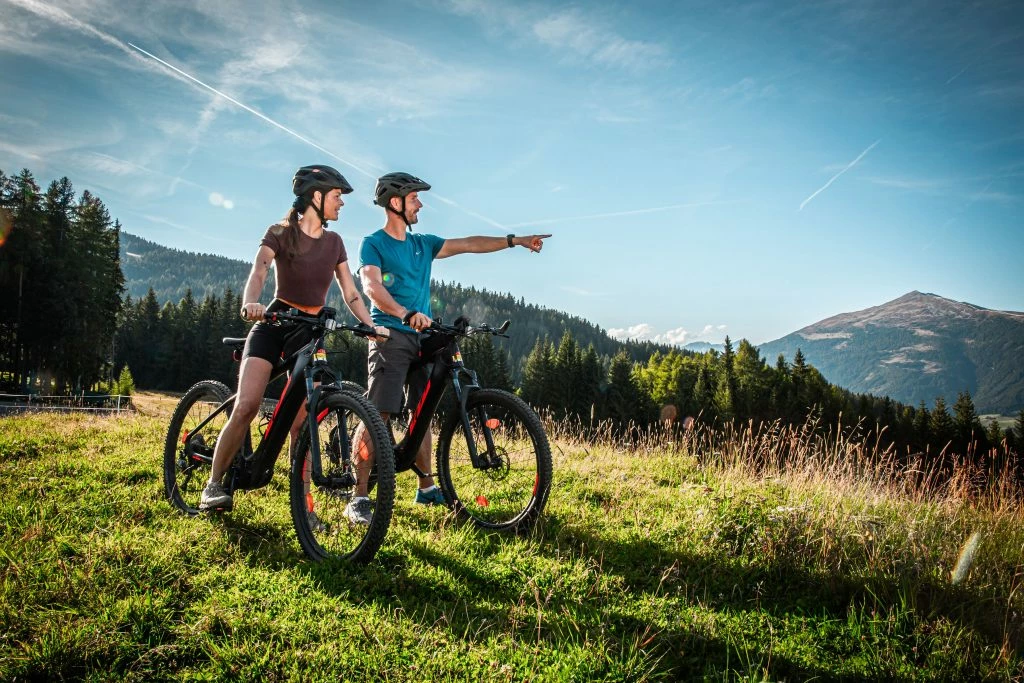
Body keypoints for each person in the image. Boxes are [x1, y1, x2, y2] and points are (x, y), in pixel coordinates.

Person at [345, 171, 551, 524]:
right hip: (390, 337)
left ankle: (426, 487)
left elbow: (469, 243)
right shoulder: (374, 243)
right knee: (377, 414)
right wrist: (404, 312)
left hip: (422, 337)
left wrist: (514, 240)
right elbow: (371, 286)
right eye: (414, 199)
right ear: (395, 203)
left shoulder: (422, 243)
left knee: (422, 411)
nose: (420, 204)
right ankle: (359, 495)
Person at [199, 165, 388, 512]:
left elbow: (351, 293)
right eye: (336, 197)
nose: (341, 204)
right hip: (274, 322)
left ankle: (302, 506)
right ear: (316, 197)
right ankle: (213, 485)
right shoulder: (280, 232)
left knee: (302, 423)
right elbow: (259, 270)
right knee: (247, 406)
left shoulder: (335, 243)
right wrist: (250, 304)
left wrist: (369, 325)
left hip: (310, 330)